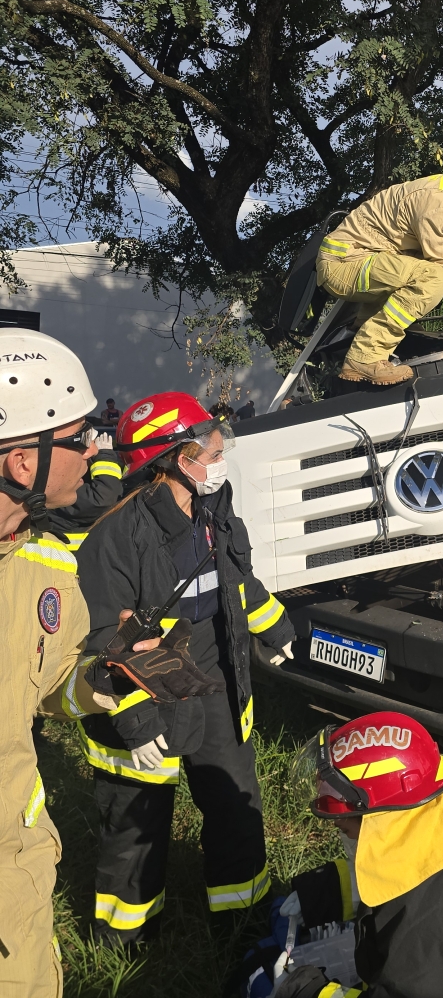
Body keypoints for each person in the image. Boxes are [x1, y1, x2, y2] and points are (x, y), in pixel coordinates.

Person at [77, 391, 297, 944]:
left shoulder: (212, 509)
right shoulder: (115, 537)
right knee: (136, 820)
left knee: (233, 798)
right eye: (213, 450)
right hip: (143, 683)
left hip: (213, 671)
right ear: (179, 459)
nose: (221, 458)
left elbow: (235, 580)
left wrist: (274, 627)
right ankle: (125, 941)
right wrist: (135, 718)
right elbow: (100, 640)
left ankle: (243, 921)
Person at [265, 712, 443, 998]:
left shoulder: (424, 920)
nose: (339, 829)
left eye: (344, 825)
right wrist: (321, 893)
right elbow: (400, 868)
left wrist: (307, 991)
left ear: (378, 818)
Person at [0, 329, 125, 997]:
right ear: (24, 463)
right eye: (81, 437)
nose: (95, 451)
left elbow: (50, 690)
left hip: (16, 878)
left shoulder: (45, 564)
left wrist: (107, 674)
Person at [317, 138, 443, 386]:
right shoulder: (437, 202)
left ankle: (356, 337)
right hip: (343, 263)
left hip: (362, 261)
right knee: (434, 278)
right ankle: (366, 355)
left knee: (418, 274)